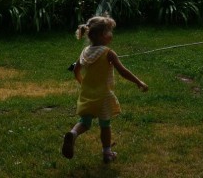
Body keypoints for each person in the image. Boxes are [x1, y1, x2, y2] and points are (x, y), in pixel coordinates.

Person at [62, 14, 148, 163]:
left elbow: (76, 71)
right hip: (103, 95)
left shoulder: (85, 52)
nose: (111, 34)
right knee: (105, 124)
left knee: (85, 122)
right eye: (109, 31)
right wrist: (138, 81)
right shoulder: (108, 53)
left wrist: (83, 84)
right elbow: (123, 71)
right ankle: (107, 153)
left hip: (87, 93)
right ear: (102, 35)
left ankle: (73, 133)